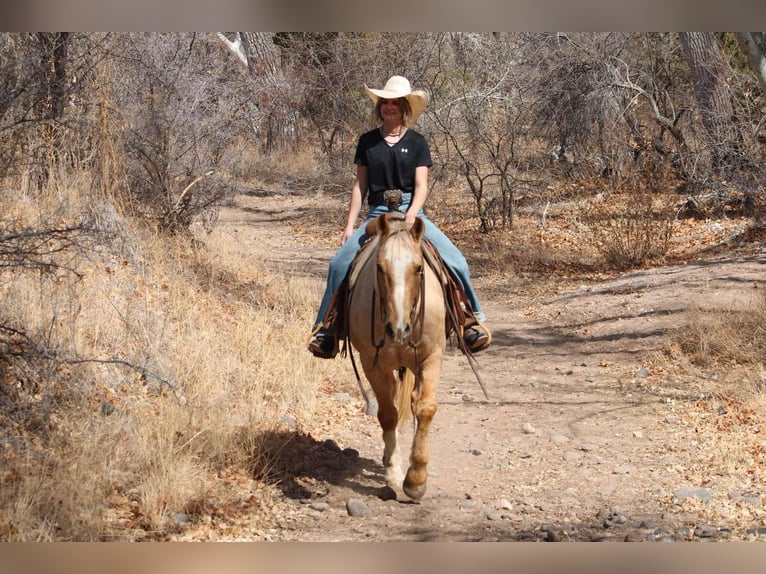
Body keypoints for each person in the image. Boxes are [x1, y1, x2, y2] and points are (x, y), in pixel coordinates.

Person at [308, 75, 490, 358]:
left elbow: (422, 185)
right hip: (379, 212)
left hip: (411, 211)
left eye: (395, 103)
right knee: (338, 264)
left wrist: (412, 214)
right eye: (385, 102)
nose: (389, 107)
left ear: (405, 107)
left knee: (456, 260)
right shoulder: (367, 142)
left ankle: (470, 318)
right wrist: (349, 226)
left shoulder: (418, 142)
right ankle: (327, 328)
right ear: (379, 106)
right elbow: (360, 186)